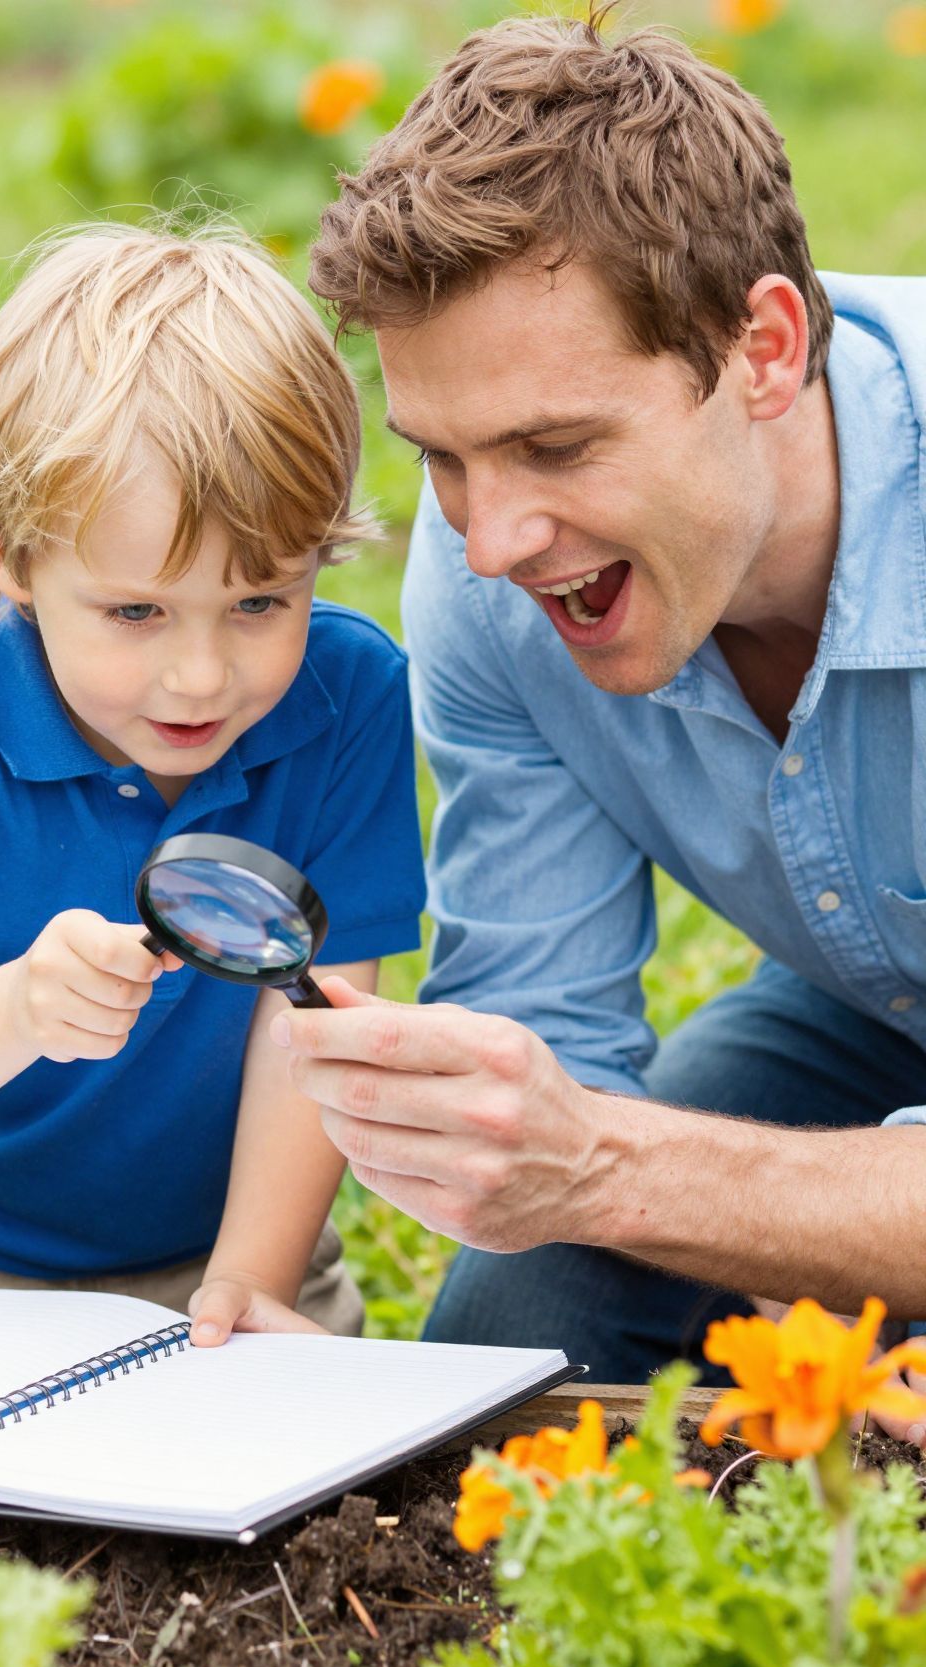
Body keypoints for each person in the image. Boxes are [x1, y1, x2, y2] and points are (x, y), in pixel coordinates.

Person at [278, 10, 926, 1417]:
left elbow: (592, 1154)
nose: (493, 540)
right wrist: (488, 1128)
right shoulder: (493, 579)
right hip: (867, 1019)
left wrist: (632, 1168)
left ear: (764, 350)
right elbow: (543, 1060)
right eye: (445, 457)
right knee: (513, 1336)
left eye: (556, 445)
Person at [0, 224, 425, 1344]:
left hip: (215, 1253)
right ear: (7, 557)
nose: (201, 675)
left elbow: (310, 1023)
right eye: (137, 611)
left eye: (261, 601)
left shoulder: (347, 697)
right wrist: (16, 1014)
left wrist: (248, 1284)